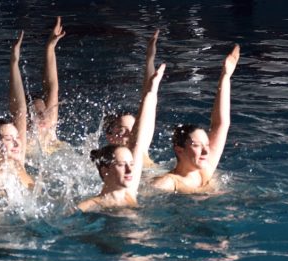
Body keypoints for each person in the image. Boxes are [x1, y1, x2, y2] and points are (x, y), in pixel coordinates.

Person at [151, 44, 240, 194]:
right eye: (197, 145)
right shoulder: (170, 182)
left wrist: (225, 76)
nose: (206, 151)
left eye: (206, 144)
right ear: (179, 149)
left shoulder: (204, 169)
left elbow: (221, 124)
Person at [77, 64, 165, 212]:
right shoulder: (87, 206)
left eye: (131, 164)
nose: (130, 170)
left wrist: (152, 91)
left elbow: (138, 140)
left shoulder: (129, 193)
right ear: (105, 171)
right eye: (121, 164)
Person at [0, 31, 35, 193]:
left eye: (17, 137)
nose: (18, 143)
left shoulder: (19, 164)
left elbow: (20, 110)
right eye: (9, 139)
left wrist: (14, 63)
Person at [102, 29, 159, 168]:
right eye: (122, 131)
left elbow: (149, 100)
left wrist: (150, 60)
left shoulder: (142, 150)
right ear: (110, 137)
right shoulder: (104, 162)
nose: (131, 135)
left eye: (133, 129)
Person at [27, 16, 67, 157]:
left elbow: (52, 88)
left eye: (44, 112)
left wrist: (50, 47)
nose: (44, 117)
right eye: (38, 114)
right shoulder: (22, 144)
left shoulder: (50, 132)